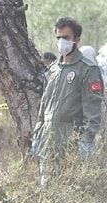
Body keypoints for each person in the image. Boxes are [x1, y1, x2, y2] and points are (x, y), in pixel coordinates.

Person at [32, 17, 104, 179]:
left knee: (68, 192)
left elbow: (92, 109)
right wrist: (37, 134)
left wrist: (86, 140)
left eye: (66, 38)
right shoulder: (53, 69)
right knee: (47, 192)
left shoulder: (87, 69)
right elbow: (45, 105)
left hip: (70, 143)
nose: (61, 42)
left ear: (76, 39)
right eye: (58, 38)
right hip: (47, 141)